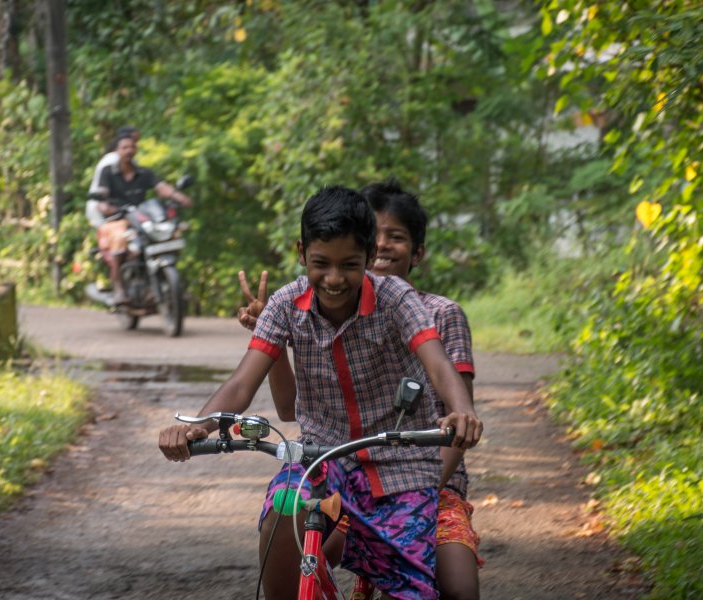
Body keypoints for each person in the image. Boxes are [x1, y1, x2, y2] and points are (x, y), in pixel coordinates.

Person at [160, 186, 482, 600]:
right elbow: (243, 382)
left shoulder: (398, 298)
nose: (333, 278)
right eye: (320, 264)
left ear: (368, 256)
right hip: (322, 461)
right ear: (301, 253)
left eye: (349, 265)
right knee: (284, 509)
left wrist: (461, 411)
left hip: (402, 469)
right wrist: (196, 427)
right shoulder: (284, 304)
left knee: (418, 589)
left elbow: (437, 361)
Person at [93, 130, 192, 304]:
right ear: (117, 151)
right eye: (124, 147)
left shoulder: (144, 172)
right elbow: (101, 197)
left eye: (132, 147)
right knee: (119, 240)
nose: (129, 150)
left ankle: (174, 286)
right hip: (118, 219)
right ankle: (119, 289)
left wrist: (180, 197)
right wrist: (107, 207)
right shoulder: (107, 172)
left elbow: (162, 188)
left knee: (171, 234)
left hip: (141, 218)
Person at [86, 126, 140, 228]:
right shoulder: (111, 161)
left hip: (121, 208)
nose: (133, 146)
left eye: (135, 143)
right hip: (103, 208)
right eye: (133, 140)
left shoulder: (131, 163)